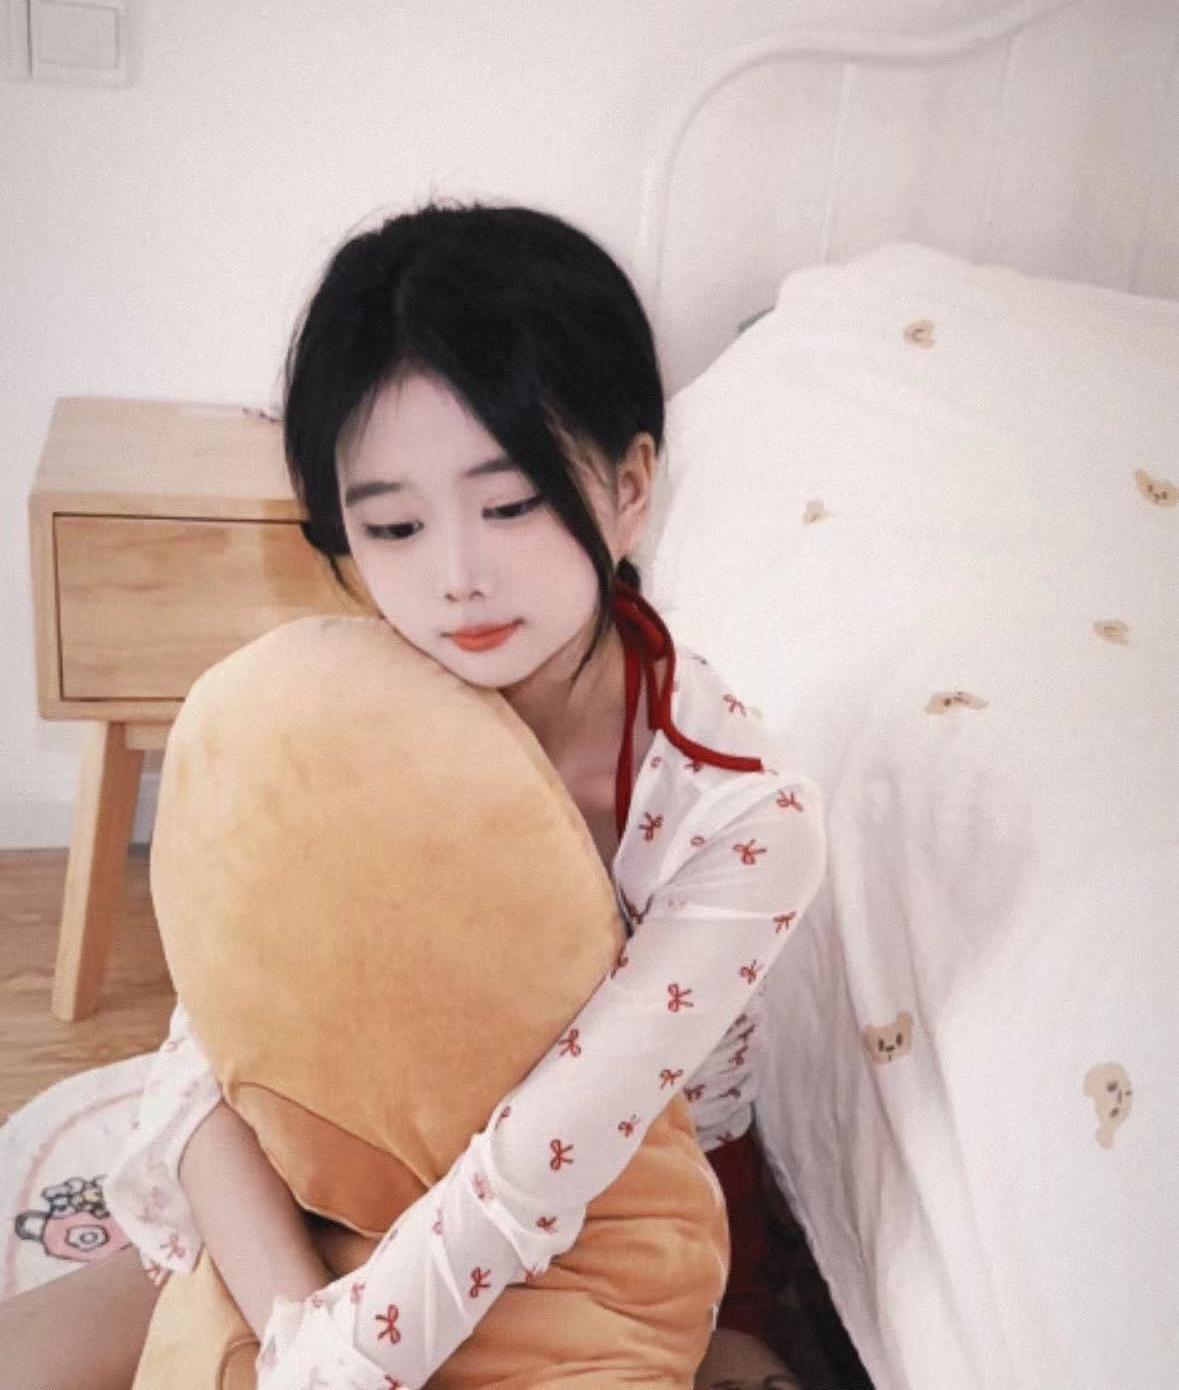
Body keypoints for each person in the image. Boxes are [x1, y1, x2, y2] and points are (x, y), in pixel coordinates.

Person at [0, 201, 825, 1390]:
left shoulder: (741, 816)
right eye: (392, 524)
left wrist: (342, 1360)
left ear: (630, 486)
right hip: (340, 1170)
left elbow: (539, 1168)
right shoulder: (337, 723)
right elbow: (211, 1058)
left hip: (615, 1226)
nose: (456, 577)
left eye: (511, 503)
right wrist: (297, 1324)